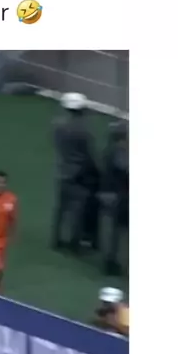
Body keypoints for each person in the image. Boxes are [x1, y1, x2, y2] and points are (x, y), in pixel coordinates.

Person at [51, 92, 97, 253]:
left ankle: (56, 239)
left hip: (62, 170)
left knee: (61, 208)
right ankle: (74, 243)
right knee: (77, 209)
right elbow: (88, 154)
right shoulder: (83, 130)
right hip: (79, 174)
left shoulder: (58, 125)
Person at [100, 120, 129, 275]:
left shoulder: (108, 150)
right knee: (118, 232)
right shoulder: (120, 152)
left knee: (113, 230)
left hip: (109, 193)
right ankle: (113, 262)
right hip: (118, 196)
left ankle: (110, 260)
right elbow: (125, 170)